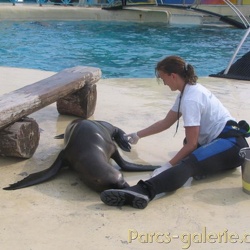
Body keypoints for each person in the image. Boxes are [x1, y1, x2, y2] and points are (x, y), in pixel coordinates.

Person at [100, 55, 250, 209]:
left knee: (188, 163)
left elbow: (191, 145)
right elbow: (166, 122)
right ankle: (211, 164)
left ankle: (144, 191)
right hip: (220, 141)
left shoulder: (191, 98)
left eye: (162, 77)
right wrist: (138, 135)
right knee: (187, 148)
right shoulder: (187, 91)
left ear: (173, 76)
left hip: (232, 145)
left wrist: (168, 166)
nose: (163, 82)